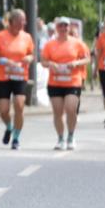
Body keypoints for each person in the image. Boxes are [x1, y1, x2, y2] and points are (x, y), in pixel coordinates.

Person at [41, 17, 91, 151]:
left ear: (69, 28)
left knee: (70, 109)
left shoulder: (77, 43)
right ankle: (60, 138)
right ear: (56, 28)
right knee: (57, 112)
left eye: (65, 26)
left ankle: (71, 136)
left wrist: (76, 63)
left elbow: (87, 59)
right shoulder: (50, 45)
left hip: (73, 80)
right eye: (60, 26)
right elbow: (43, 61)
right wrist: (51, 64)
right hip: (55, 82)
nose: (63, 29)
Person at [0, 9, 34, 150]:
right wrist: (4, 61)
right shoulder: (0, 36)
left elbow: (32, 55)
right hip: (3, 76)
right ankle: (9, 126)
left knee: (19, 105)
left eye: (24, 20)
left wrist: (29, 58)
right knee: (3, 110)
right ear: (12, 21)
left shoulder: (26, 37)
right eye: (21, 20)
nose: (23, 23)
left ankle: (16, 138)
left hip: (20, 75)